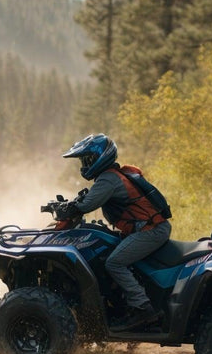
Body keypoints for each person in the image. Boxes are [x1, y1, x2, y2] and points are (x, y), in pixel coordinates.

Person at [59, 134, 171, 330]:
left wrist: (69, 208)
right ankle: (122, 306)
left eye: (87, 160)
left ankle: (144, 309)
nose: (84, 165)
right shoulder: (113, 175)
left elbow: (88, 204)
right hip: (149, 229)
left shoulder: (108, 179)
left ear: (100, 158)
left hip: (151, 230)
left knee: (114, 262)